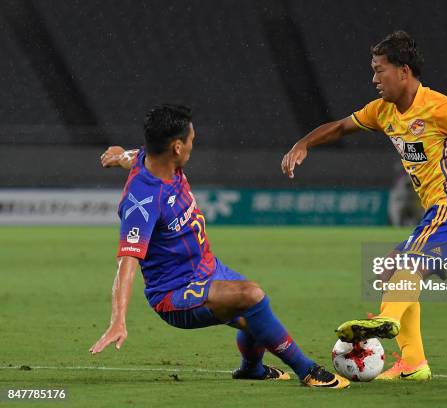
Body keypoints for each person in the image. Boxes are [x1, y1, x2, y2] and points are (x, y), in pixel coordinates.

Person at [281, 31, 447, 381]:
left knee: (408, 265)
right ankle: (414, 363)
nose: (374, 79)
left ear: (403, 71)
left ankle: (386, 322)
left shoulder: (441, 107)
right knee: (390, 270)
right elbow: (340, 128)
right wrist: (303, 144)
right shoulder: (383, 112)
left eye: (379, 70)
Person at [90, 104, 349, 389]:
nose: (192, 146)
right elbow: (127, 262)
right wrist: (118, 319)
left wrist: (115, 157)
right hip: (175, 293)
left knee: (256, 310)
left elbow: (130, 156)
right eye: (191, 141)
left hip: (208, 269)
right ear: (177, 147)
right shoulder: (142, 202)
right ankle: (308, 371)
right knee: (251, 295)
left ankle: (252, 369)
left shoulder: (152, 159)